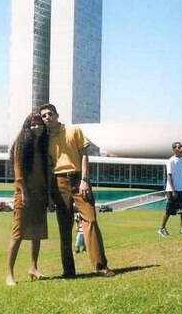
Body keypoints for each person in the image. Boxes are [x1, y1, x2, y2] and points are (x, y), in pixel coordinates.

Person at [39, 103, 115, 278]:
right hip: (58, 183)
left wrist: (84, 180)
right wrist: (50, 194)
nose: (47, 118)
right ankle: (68, 271)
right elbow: (49, 167)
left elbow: (84, 155)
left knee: (91, 221)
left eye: (50, 114)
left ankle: (101, 266)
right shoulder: (45, 140)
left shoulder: (74, 131)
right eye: (44, 116)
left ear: (57, 115)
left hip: (78, 179)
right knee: (64, 228)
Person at [6, 113, 49, 286]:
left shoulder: (42, 145)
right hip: (24, 195)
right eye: (33, 124)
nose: (37, 127)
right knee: (17, 235)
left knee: (37, 233)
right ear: (27, 126)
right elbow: (18, 174)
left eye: (39, 124)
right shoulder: (21, 145)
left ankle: (33, 267)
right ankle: (9, 274)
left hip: (40, 195)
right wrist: (24, 194)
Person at [158, 141, 182, 237]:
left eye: (181, 147)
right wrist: (173, 190)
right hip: (172, 190)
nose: (181, 148)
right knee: (169, 210)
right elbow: (169, 177)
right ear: (174, 149)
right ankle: (161, 228)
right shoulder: (170, 161)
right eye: (178, 147)